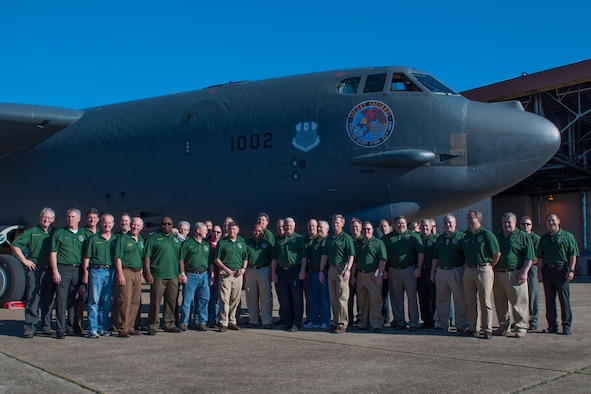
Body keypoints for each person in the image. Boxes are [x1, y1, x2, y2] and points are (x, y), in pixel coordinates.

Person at [11, 207, 56, 338]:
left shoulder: (56, 233)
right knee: (33, 297)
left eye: (49, 218)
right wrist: (25, 261)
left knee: (48, 299)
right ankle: (29, 326)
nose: (46, 219)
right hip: (36, 269)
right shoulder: (32, 231)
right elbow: (15, 245)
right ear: (40, 218)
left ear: (53, 220)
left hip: (50, 269)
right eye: (44, 217)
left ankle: (47, 326)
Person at [493, 212, 534, 338]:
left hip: (515, 273)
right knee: (500, 302)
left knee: (519, 302)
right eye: (504, 222)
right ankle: (503, 326)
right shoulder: (497, 236)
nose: (506, 225)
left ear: (515, 223)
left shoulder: (522, 236)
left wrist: (524, 272)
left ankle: (520, 327)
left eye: (509, 222)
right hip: (499, 273)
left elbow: (529, 257)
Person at [537, 213, 579, 335]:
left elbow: (572, 254)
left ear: (559, 221)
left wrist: (571, 270)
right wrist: (540, 272)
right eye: (549, 221)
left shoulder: (567, 236)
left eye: (553, 220)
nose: (551, 223)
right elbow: (540, 258)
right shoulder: (544, 239)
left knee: (564, 299)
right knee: (549, 300)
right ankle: (552, 325)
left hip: (561, 270)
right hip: (548, 271)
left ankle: (566, 325)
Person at [462, 210, 500, 339]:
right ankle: (473, 327)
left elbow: (496, 254)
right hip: (469, 270)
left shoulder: (486, 234)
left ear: (478, 219)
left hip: (483, 269)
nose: (468, 220)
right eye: (467, 218)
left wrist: (489, 266)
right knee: (470, 301)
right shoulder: (466, 236)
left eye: (471, 218)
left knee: (485, 301)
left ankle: (487, 329)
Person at [49, 208, 87, 339]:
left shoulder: (84, 234)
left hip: (77, 270)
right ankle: (60, 328)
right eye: (68, 216)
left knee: (74, 300)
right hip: (63, 269)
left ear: (79, 219)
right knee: (61, 300)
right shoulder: (60, 233)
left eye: (73, 217)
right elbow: (53, 253)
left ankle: (71, 326)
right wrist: (55, 271)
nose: (70, 219)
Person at [382, 216, 424, 331]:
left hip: (409, 270)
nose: (401, 225)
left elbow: (420, 252)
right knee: (396, 298)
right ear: (394, 226)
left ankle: (414, 322)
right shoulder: (388, 238)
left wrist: (419, 267)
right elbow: (383, 255)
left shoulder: (413, 236)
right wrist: (383, 269)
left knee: (412, 298)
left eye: (403, 223)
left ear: (406, 224)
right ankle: (400, 321)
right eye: (398, 224)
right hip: (393, 271)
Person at [143, 216, 182, 335]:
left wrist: (181, 272)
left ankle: (169, 323)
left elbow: (180, 258)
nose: (166, 226)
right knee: (155, 301)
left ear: (172, 225)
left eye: (169, 224)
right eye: (164, 224)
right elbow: (147, 257)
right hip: (158, 275)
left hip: (173, 275)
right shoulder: (153, 238)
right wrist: (148, 273)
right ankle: (153, 325)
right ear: (160, 225)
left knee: (171, 301)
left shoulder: (176, 240)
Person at [430, 214, 466, 334]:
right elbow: (435, 257)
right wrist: (432, 272)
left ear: (455, 223)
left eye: (450, 222)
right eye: (445, 223)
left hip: (456, 271)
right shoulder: (439, 239)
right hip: (441, 272)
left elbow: (466, 256)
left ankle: (461, 325)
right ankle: (443, 324)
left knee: (459, 299)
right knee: (441, 300)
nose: (448, 225)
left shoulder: (461, 238)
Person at [319, 214, 355, 334]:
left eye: (337, 222)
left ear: (342, 224)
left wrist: (348, 270)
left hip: (342, 268)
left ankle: (342, 323)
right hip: (331, 269)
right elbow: (325, 255)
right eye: (334, 222)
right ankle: (335, 321)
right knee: (333, 297)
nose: (335, 225)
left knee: (342, 298)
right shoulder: (329, 239)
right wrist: (321, 270)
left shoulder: (346, 238)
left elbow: (351, 255)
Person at [82, 213, 117, 338]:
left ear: (113, 224)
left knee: (106, 302)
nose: (107, 225)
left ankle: (102, 327)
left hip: (110, 272)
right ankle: (92, 328)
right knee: (93, 301)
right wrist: (85, 275)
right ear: (100, 223)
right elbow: (87, 258)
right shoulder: (93, 239)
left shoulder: (115, 239)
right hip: (96, 271)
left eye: (109, 223)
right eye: (104, 222)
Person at [271, 218, 307, 332]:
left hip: (295, 270)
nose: (288, 227)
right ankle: (288, 322)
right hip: (282, 272)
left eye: (290, 225)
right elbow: (274, 258)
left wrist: (302, 270)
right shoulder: (278, 241)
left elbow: (303, 257)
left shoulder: (299, 239)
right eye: (286, 225)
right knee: (285, 299)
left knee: (297, 298)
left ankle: (296, 323)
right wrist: (273, 273)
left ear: (294, 226)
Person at [351, 222, 386, 333]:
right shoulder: (358, 243)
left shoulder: (378, 243)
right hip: (360, 274)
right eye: (365, 229)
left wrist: (380, 274)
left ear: (373, 230)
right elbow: (355, 262)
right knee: (362, 300)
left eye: (369, 229)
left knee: (375, 300)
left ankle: (376, 324)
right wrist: (353, 275)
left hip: (373, 274)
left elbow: (382, 259)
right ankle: (363, 323)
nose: (366, 231)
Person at [179, 222, 214, 331]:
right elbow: (181, 259)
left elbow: (210, 262)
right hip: (191, 274)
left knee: (204, 299)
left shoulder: (206, 245)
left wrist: (212, 274)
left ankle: (202, 321)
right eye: (205, 230)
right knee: (187, 300)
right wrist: (182, 273)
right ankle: (184, 322)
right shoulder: (187, 243)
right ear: (198, 230)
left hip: (204, 274)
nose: (207, 232)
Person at [113, 217, 145, 337]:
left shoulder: (141, 240)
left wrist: (141, 273)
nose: (135, 227)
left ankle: (130, 326)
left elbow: (141, 258)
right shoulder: (123, 239)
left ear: (141, 227)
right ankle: (122, 327)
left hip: (137, 272)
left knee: (135, 301)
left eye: (138, 225)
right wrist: (120, 273)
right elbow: (118, 258)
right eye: (133, 225)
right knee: (124, 300)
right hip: (126, 271)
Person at [215, 221, 248, 332]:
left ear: (238, 230)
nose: (231, 231)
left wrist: (243, 269)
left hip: (238, 274)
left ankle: (232, 321)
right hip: (225, 274)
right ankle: (223, 322)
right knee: (224, 299)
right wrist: (225, 269)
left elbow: (245, 258)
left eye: (234, 229)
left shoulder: (241, 242)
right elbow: (217, 259)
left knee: (235, 299)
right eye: (230, 229)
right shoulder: (222, 242)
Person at [245, 224, 273, 329]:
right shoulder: (247, 244)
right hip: (250, 270)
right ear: (252, 232)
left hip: (264, 270)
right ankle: (253, 320)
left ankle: (267, 321)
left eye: (259, 231)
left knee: (265, 296)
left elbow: (271, 259)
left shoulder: (267, 244)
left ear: (262, 233)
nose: (257, 233)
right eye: (255, 231)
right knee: (251, 296)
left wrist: (271, 273)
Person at [304, 220, 330, 330]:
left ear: (327, 229)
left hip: (324, 272)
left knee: (324, 298)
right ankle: (314, 320)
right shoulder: (314, 241)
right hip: (313, 272)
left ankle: (325, 320)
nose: (319, 229)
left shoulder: (328, 240)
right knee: (313, 297)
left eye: (321, 227)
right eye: (318, 227)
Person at [520, 215, 541, 330]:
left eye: (528, 224)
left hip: (532, 268)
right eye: (523, 224)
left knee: (533, 295)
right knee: (519, 296)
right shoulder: (517, 237)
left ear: (531, 226)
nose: (525, 226)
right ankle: (520, 320)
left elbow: (539, 256)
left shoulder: (536, 239)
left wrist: (527, 267)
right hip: (519, 269)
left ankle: (533, 321)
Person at [418, 218, 437, 329]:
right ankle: (425, 320)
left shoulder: (435, 239)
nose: (425, 228)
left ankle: (434, 320)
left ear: (431, 227)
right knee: (422, 296)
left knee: (433, 296)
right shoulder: (418, 239)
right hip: (421, 271)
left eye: (427, 226)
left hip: (431, 270)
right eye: (423, 226)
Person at [206, 225, 223, 328]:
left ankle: (215, 319)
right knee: (207, 298)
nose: (215, 234)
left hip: (220, 275)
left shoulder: (223, 244)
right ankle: (207, 319)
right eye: (213, 232)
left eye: (218, 232)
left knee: (217, 299)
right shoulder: (206, 245)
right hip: (207, 275)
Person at [348, 217, 362, 328]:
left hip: (361, 273)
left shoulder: (365, 240)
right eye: (353, 227)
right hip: (349, 273)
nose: (355, 229)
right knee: (349, 297)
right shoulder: (349, 240)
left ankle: (361, 318)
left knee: (362, 298)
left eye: (357, 227)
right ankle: (349, 319)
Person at [378, 219, 391, 324]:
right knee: (383, 296)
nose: (383, 228)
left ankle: (399, 319)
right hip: (385, 271)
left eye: (385, 226)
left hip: (394, 269)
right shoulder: (380, 240)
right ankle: (385, 318)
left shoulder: (393, 238)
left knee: (397, 297)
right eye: (381, 226)